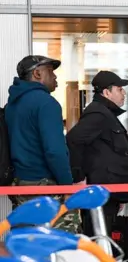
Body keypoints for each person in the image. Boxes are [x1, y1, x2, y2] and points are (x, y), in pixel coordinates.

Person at [4, 55, 80, 233]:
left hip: (21, 185)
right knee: (62, 245)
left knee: (29, 243)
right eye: (51, 72)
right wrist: (67, 186)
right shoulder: (46, 103)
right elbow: (54, 151)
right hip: (46, 187)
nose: (55, 77)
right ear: (37, 74)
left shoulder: (12, 105)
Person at [66, 70, 128, 237]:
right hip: (100, 192)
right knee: (98, 238)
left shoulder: (105, 112)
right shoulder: (98, 113)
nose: (123, 93)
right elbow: (74, 140)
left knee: (103, 237)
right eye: (119, 89)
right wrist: (79, 176)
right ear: (106, 92)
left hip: (108, 192)